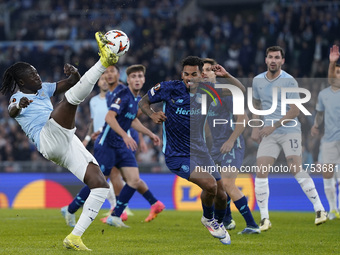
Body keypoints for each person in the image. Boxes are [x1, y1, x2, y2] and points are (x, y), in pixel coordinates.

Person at [0, 32, 118, 251]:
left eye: (36, 72)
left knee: (100, 185)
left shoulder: (43, 88)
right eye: (32, 76)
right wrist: (20, 105)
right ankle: (104, 61)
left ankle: (75, 237)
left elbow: (72, 83)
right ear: (22, 81)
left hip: (65, 143)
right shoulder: (17, 98)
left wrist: (74, 73)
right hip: (48, 138)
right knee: (72, 99)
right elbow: (11, 111)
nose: (37, 77)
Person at [138, 56, 246, 245]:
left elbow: (241, 91)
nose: (189, 78)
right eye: (186, 74)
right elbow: (143, 102)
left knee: (221, 196)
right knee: (210, 185)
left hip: (201, 151)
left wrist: (226, 75)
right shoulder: (168, 88)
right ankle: (208, 219)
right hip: (177, 154)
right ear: (182, 74)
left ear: (200, 74)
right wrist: (152, 114)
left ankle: (218, 224)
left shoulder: (208, 90)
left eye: (194, 74)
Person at [251, 45, 327, 231]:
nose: (273, 60)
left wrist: (273, 126)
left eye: (277, 57)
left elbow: (294, 110)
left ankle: (319, 209)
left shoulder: (289, 81)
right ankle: (264, 219)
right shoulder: (257, 81)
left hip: (289, 129)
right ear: (266, 60)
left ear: (282, 61)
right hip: (268, 131)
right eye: (270, 57)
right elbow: (256, 103)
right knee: (261, 170)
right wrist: (255, 125)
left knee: (295, 166)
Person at [202, 58, 260, 234]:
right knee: (217, 186)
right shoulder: (203, 95)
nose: (204, 72)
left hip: (232, 145)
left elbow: (244, 120)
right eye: (202, 70)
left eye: (208, 69)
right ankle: (227, 220)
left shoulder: (225, 93)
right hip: (216, 147)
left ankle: (252, 225)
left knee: (227, 184)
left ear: (215, 74)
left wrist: (231, 140)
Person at [311, 44, 340, 220]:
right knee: (327, 174)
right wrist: (315, 125)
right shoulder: (323, 94)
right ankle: (333, 209)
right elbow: (319, 113)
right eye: (335, 71)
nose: (337, 75)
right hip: (329, 140)